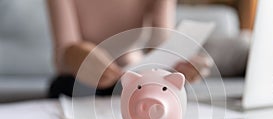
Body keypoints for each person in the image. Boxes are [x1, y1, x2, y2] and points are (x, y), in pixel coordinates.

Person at [47, 0, 211, 98]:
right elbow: (63, 53)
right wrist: (78, 55)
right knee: (65, 86)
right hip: (80, 80)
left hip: (135, 76)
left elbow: (162, 41)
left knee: (171, 90)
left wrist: (181, 63)